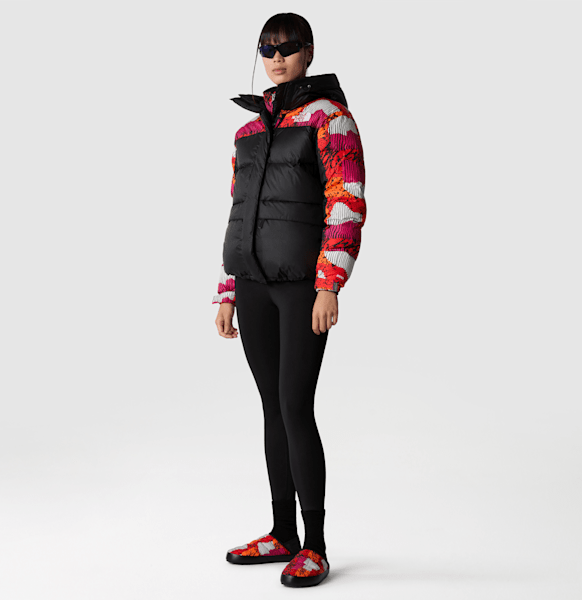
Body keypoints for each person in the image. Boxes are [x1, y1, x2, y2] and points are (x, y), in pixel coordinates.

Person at [212, 12, 366, 588]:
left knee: (295, 407)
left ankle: (316, 546)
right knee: (271, 409)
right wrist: (227, 289)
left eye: (287, 47)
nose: (276, 58)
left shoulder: (330, 118)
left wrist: (329, 283)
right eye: (266, 48)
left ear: (308, 51)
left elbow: (347, 199)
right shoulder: (247, 132)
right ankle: (282, 534)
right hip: (252, 285)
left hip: (302, 287)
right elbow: (238, 212)